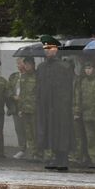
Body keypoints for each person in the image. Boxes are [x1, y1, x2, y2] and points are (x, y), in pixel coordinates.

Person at [35, 36, 75, 171]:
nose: (47, 51)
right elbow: (39, 87)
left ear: (56, 49)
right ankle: (56, 158)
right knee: (49, 133)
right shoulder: (41, 67)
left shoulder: (64, 67)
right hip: (46, 106)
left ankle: (63, 159)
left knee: (61, 132)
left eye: (50, 48)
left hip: (61, 107)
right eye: (45, 48)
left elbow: (69, 89)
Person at [73, 58, 95, 168]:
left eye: (90, 68)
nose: (87, 71)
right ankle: (93, 158)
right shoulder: (83, 82)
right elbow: (78, 97)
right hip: (86, 114)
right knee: (90, 138)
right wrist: (77, 111)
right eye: (86, 68)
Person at [11, 55, 39, 159]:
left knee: (36, 132)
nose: (26, 66)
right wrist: (20, 109)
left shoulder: (38, 76)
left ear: (33, 65)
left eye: (28, 64)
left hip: (35, 109)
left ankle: (38, 153)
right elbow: (22, 94)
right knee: (29, 133)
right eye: (25, 64)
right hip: (25, 110)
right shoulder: (23, 77)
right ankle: (33, 153)